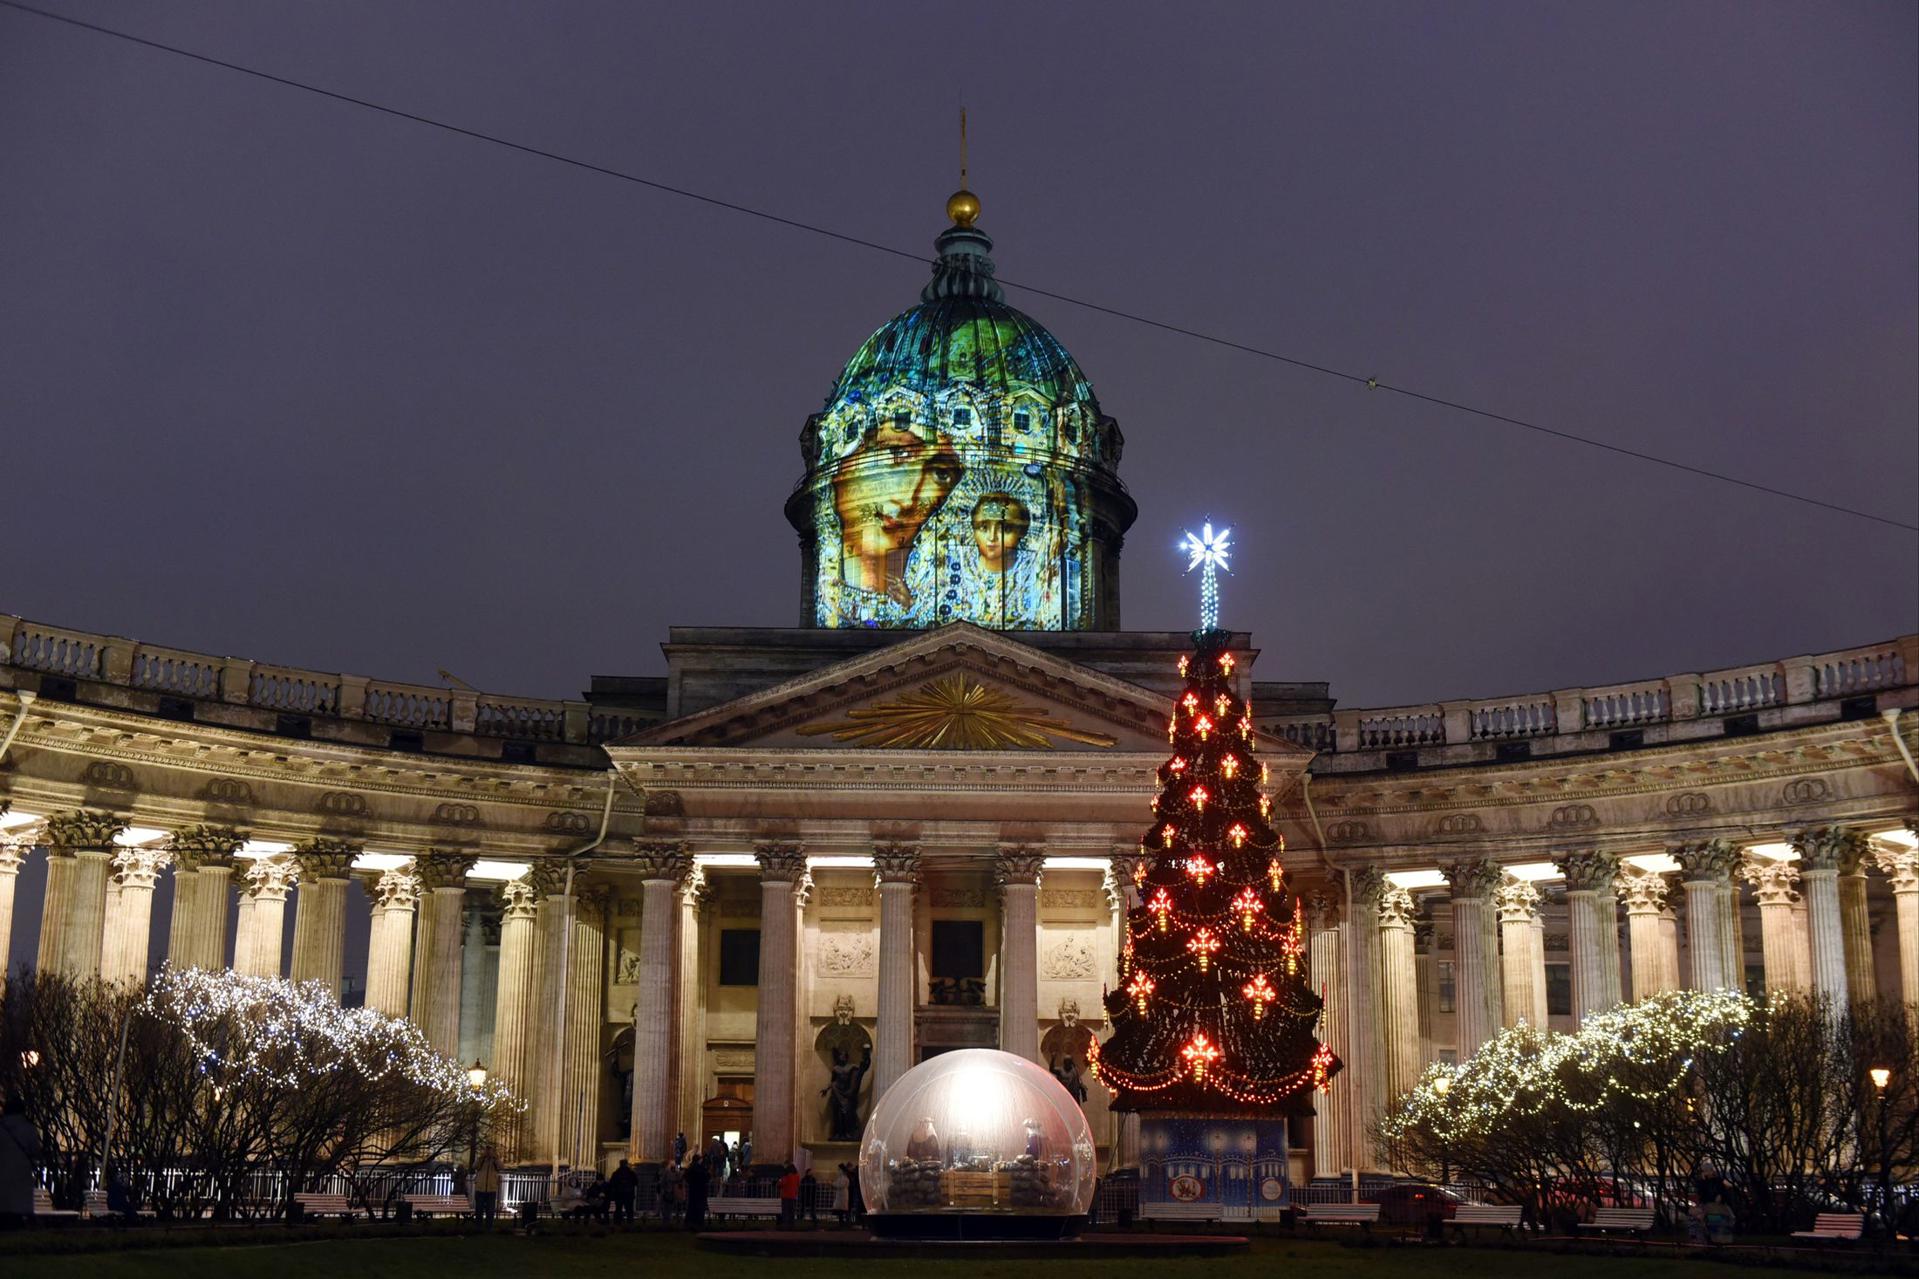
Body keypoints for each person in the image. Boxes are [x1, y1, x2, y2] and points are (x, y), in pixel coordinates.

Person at [0, 1098, 39, 1229]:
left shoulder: (2, 1129)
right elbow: (34, 1150)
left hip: (3, 1174)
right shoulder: (28, 1129)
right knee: (17, 1210)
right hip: (21, 1173)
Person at [471, 1146, 502, 1226]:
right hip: (480, 1188)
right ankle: (478, 1225)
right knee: (479, 1209)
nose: (488, 1153)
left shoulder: (495, 1161)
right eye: (487, 1151)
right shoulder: (481, 1160)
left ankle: (489, 1226)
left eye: (490, 1151)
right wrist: (481, 1157)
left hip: (491, 1189)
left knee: (490, 1210)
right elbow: (474, 1166)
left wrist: (495, 1158)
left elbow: (501, 1167)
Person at [682, 1153, 709, 1232]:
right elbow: (706, 1177)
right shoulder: (700, 1168)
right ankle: (698, 1223)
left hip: (693, 1189)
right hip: (700, 1190)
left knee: (692, 1206)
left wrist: (690, 1182)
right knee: (699, 1207)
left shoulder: (690, 1167)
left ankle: (690, 1222)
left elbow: (686, 1176)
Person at [607, 1158, 637, 1226]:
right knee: (629, 1210)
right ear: (626, 1164)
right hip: (628, 1194)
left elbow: (612, 1183)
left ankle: (617, 1222)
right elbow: (636, 1182)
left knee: (618, 1209)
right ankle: (630, 1223)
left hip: (619, 1194)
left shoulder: (616, 1173)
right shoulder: (631, 1173)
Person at [777, 1163, 802, 1230]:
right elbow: (798, 1184)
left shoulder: (786, 1176)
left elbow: (782, 1183)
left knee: (785, 1211)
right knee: (791, 1211)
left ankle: (785, 1224)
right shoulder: (797, 1176)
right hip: (793, 1195)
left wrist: (779, 1181)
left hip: (785, 1195)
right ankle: (792, 1224)